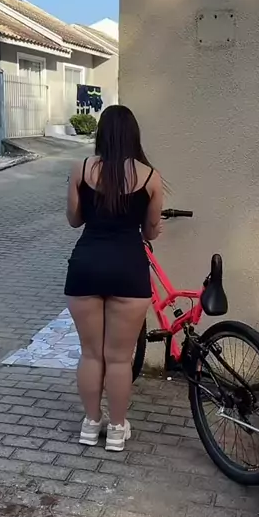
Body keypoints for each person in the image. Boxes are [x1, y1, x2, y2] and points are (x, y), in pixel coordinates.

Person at [64, 105, 163, 452]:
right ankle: (118, 430)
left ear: (102, 134)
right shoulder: (151, 177)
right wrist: (151, 227)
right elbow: (150, 231)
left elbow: (74, 220)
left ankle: (91, 425)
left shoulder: (81, 169)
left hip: (86, 267)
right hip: (128, 269)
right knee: (119, 358)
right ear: (134, 135)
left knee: (91, 354)